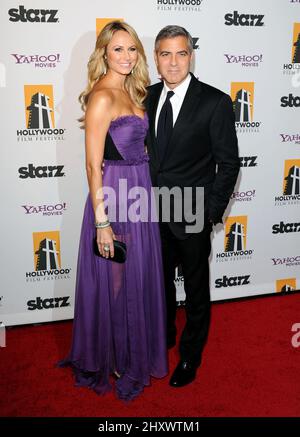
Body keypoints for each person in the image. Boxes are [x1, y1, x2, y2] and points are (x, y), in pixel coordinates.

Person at [58, 21, 168, 401]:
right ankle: (117, 356)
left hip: (140, 191)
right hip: (115, 195)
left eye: (132, 49)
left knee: (136, 275)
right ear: (104, 52)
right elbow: (92, 164)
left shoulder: (133, 90)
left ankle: (130, 349)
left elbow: (140, 146)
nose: (126, 56)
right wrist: (102, 222)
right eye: (118, 49)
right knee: (118, 278)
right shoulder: (102, 96)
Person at [145, 25, 239, 388]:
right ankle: (165, 334)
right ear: (156, 58)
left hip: (193, 213)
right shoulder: (146, 97)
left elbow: (228, 164)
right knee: (161, 283)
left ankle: (190, 355)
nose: (173, 62)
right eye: (165, 54)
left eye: (180, 53)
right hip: (152, 212)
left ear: (191, 55)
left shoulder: (215, 102)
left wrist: (211, 212)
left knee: (197, 289)